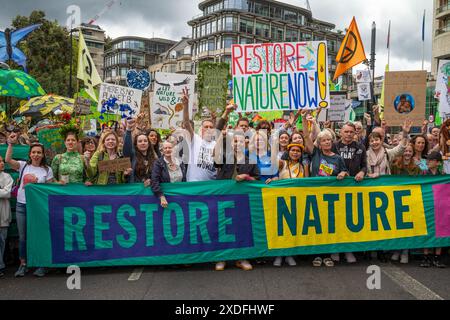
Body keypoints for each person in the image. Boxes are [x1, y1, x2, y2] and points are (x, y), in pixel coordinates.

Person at [6, 133, 54, 277]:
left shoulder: (47, 170)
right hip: (22, 206)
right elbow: (8, 160)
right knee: (23, 237)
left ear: (43, 154)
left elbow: (50, 189)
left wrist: (60, 184)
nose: (36, 155)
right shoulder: (23, 166)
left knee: (39, 235)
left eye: (39, 152)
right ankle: (23, 264)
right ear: (30, 154)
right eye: (34, 152)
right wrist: (10, 144)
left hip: (38, 208)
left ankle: (41, 264)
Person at [303, 114, 348, 268]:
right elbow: (306, 137)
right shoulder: (315, 153)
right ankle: (317, 254)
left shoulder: (338, 158)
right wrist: (304, 120)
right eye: (323, 140)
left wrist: (343, 173)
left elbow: (345, 172)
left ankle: (328, 254)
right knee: (316, 226)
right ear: (320, 143)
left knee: (329, 226)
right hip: (315, 196)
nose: (327, 142)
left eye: (329, 139)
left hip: (331, 198)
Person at [214, 131, 260, 271]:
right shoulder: (224, 157)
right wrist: (221, 138)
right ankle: (221, 258)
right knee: (223, 227)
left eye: (240, 141)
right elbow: (215, 161)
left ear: (245, 143)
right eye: (234, 141)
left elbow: (257, 180)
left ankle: (242, 258)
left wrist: (246, 176)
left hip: (242, 201)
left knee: (241, 228)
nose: (237, 144)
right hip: (223, 199)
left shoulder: (250, 161)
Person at [330, 122, 367, 264]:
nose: (349, 134)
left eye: (352, 132)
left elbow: (364, 165)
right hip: (336, 187)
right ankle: (335, 249)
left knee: (350, 220)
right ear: (341, 133)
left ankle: (348, 250)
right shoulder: (334, 146)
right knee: (336, 221)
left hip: (354, 188)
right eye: (346, 132)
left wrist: (362, 172)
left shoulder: (360, 147)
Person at [267, 143, 308, 267]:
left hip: (297, 201)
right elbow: (271, 163)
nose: (295, 153)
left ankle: (290, 254)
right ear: (288, 152)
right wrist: (274, 179)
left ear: (301, 154)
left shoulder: (303, 167)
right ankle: (279, 255)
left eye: (298, 151)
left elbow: (307, 182)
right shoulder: (282, 163)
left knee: (293, 229)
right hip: (282, 200)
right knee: (280, 229)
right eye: (293, 150)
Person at [182, 88, 234, 182]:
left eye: (211, 127)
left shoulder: (216, 144)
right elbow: (186, 123)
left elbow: (219, 126)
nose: (209, 129)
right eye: (206, 127)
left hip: (210, 187)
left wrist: (226, 112)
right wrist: (185, 105)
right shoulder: (195, 140)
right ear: (201, 129)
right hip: (193, 185)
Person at [420, 151, 446, 268]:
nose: (428, 162)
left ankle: (437, 257)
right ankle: (426, 257)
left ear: (437, 162)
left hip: (440, 206)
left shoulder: (443, 175)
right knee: (427, 229)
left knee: (440, 231)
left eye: (430, 160)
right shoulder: (424, 173)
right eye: (428, 160)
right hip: (427, 204)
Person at [151, 140, 187, 208]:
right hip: (166, 197)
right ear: (162, 150)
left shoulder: (181, 162)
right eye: (165, 148)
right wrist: (161, 196)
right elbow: (154, 180)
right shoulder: (158, 163)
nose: (168, 150)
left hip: (180, 196)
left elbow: (184, 179)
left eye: (170, 148)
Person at [124, 119, 157, 186]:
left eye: (145, 141)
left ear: (148, 143)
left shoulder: (154, 157)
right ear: (136, 145)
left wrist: (151, 180)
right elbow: (127, 148)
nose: (143, 143)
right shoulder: (133, 156)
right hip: (135, 190)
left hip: (150, 192)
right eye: (140, 141)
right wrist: (128, 130)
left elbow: (158, 175)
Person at [0, 156, 13, 277]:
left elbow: (7, 193)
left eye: (2, 161)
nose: (2, 163)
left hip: (2, 215)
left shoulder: (7, 177)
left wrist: (3, 191)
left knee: (2, 241)